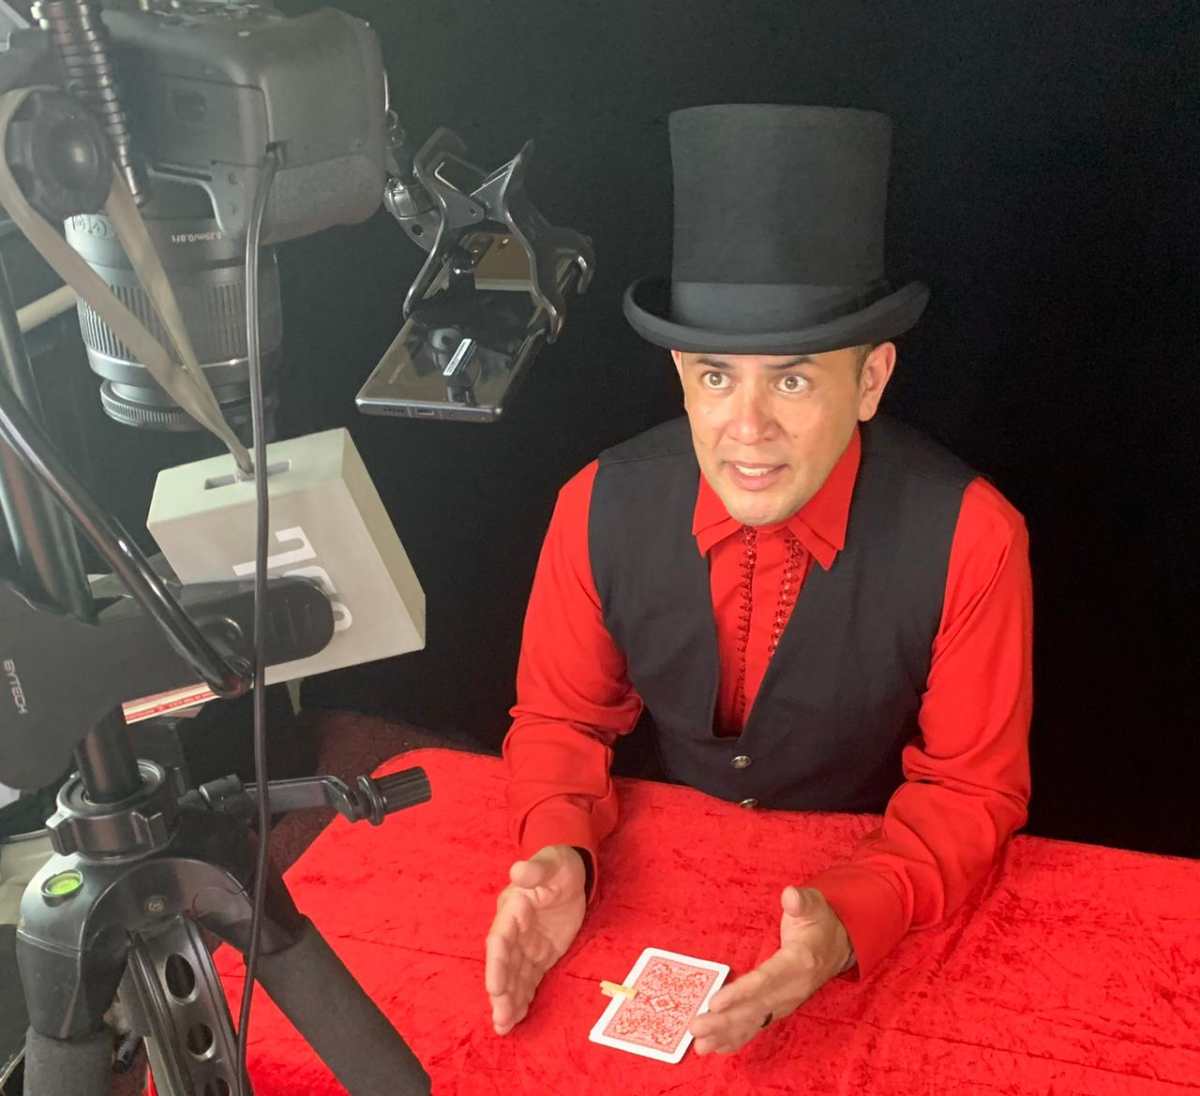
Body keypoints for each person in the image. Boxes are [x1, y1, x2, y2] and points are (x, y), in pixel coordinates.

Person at [484, 104, 1032, 1056]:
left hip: (864, 878)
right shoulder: (593, 504)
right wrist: (561, 848)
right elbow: (561, 722)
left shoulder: (975, 536)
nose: (746, 428)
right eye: (714, 376)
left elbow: (969, 790)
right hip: (660, 880)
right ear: (680, 376)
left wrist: (849, 919)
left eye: (791, 380)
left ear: (871, 380)